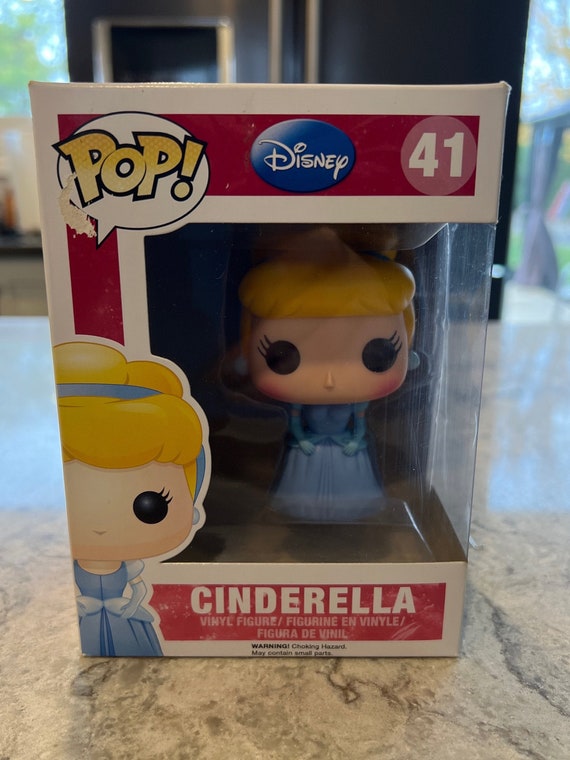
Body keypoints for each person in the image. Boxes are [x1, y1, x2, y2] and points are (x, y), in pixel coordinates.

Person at [239, 226, 415, 522]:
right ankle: (302, 510)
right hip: (310, 449)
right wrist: (302, 439)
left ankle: (351, 509)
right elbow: (295, 423)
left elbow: (359, 425)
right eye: (282, 356)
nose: (329, 379)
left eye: (376, 354)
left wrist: (355, 440)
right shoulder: (299, 404)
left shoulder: (357, 403)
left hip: (345, 450)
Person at [54, 341, 206, 656]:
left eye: (151, 506)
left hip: (122, 615)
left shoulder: (132, 568)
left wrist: (133, 605)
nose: (101, 524)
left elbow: (138, 589)